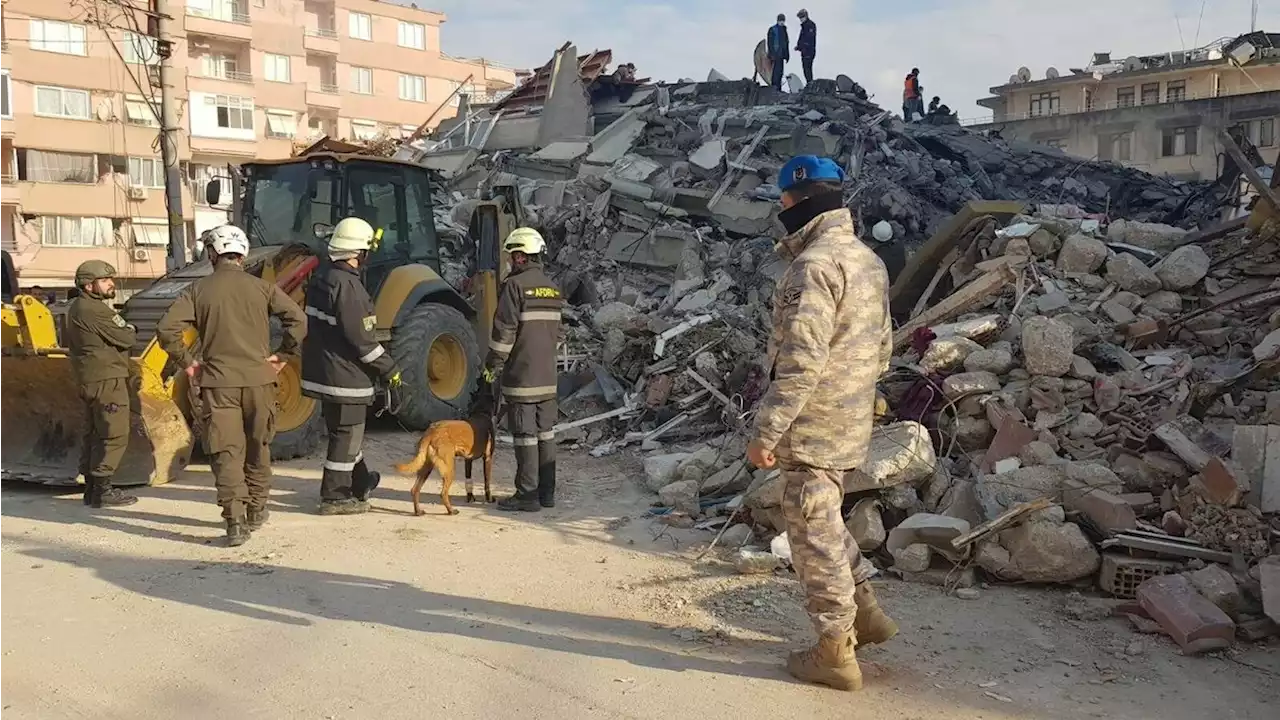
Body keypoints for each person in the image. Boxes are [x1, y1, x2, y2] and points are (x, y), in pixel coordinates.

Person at [745, 156, 899, 691]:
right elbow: (884, 347)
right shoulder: (867, 261)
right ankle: (867, 613)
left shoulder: (812, 266)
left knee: (811, 531)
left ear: (801, 198)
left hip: (811, 423)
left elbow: (800, 360)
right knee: (826, 518)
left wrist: (766, 432)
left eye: (784, 201)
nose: (780, 210)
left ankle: (835, 650)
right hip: (850, 417)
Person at [157, 225, 306, 547]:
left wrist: (189, 364)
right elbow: (298, 320)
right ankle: (257, 510)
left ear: (212, 253)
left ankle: (235, 522)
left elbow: (167, 329)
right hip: (260, 383)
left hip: (218, 384)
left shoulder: (197, 291)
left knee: (227, 452)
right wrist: (283, 354)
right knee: (258, 447)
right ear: (243, 254)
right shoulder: (262, 288)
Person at [300, 217, 403, 516]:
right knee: (346, 435)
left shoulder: (322, 278)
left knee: (344, 433)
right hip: (346, 376)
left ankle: (360, 482)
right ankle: (335, 497)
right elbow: (364, 342)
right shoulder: (349, 287)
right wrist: (391, 370)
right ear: (360, 253)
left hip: (325, 371)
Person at [483, 227, 563, 512]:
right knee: (546, 433)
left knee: (525, 435)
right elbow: (558, 333)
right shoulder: (552, 287)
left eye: (510, 255)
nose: (508, 260)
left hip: (522, 376)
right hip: (548, 377)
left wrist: (492, 366)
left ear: (519, 256)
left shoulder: (514, 287)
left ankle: (526, 495)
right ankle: (547, 494)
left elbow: (504, 332)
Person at [65, 261, 139, 508]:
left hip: (89, 378)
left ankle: (92, 489)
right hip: (107, 380)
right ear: (89, 285)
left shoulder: (76, 308)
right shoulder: (95, 310)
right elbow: (126, 337)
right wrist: (130, 327)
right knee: (114, 433)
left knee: (94, 433)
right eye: (105, 280)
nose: (111, 283)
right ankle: (104, 488)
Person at [766, 13, 790, 91]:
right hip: (775, 55)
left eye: (783, 20)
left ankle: (778, 88)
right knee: (775, 73)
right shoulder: (772, 29)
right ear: (778, 20)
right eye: (780, 20)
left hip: (781, 55)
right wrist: (771, 54)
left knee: (780, 72)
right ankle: (774, 88)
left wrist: (787, 55)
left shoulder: (784, 30)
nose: (782, 22)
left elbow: (786, 43)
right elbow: (770, 43)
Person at [796, 9, 817, 84]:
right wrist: (798, 46)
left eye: (801, 17)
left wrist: (803, 46)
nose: (800, 19)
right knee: (805, 69)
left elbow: (809, 38)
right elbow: (801, 38)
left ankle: (810, 84)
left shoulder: (810, 25)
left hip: (809, 51)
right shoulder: (804, 26)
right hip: (804, 51)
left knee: (808, 69)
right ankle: (809, 84)